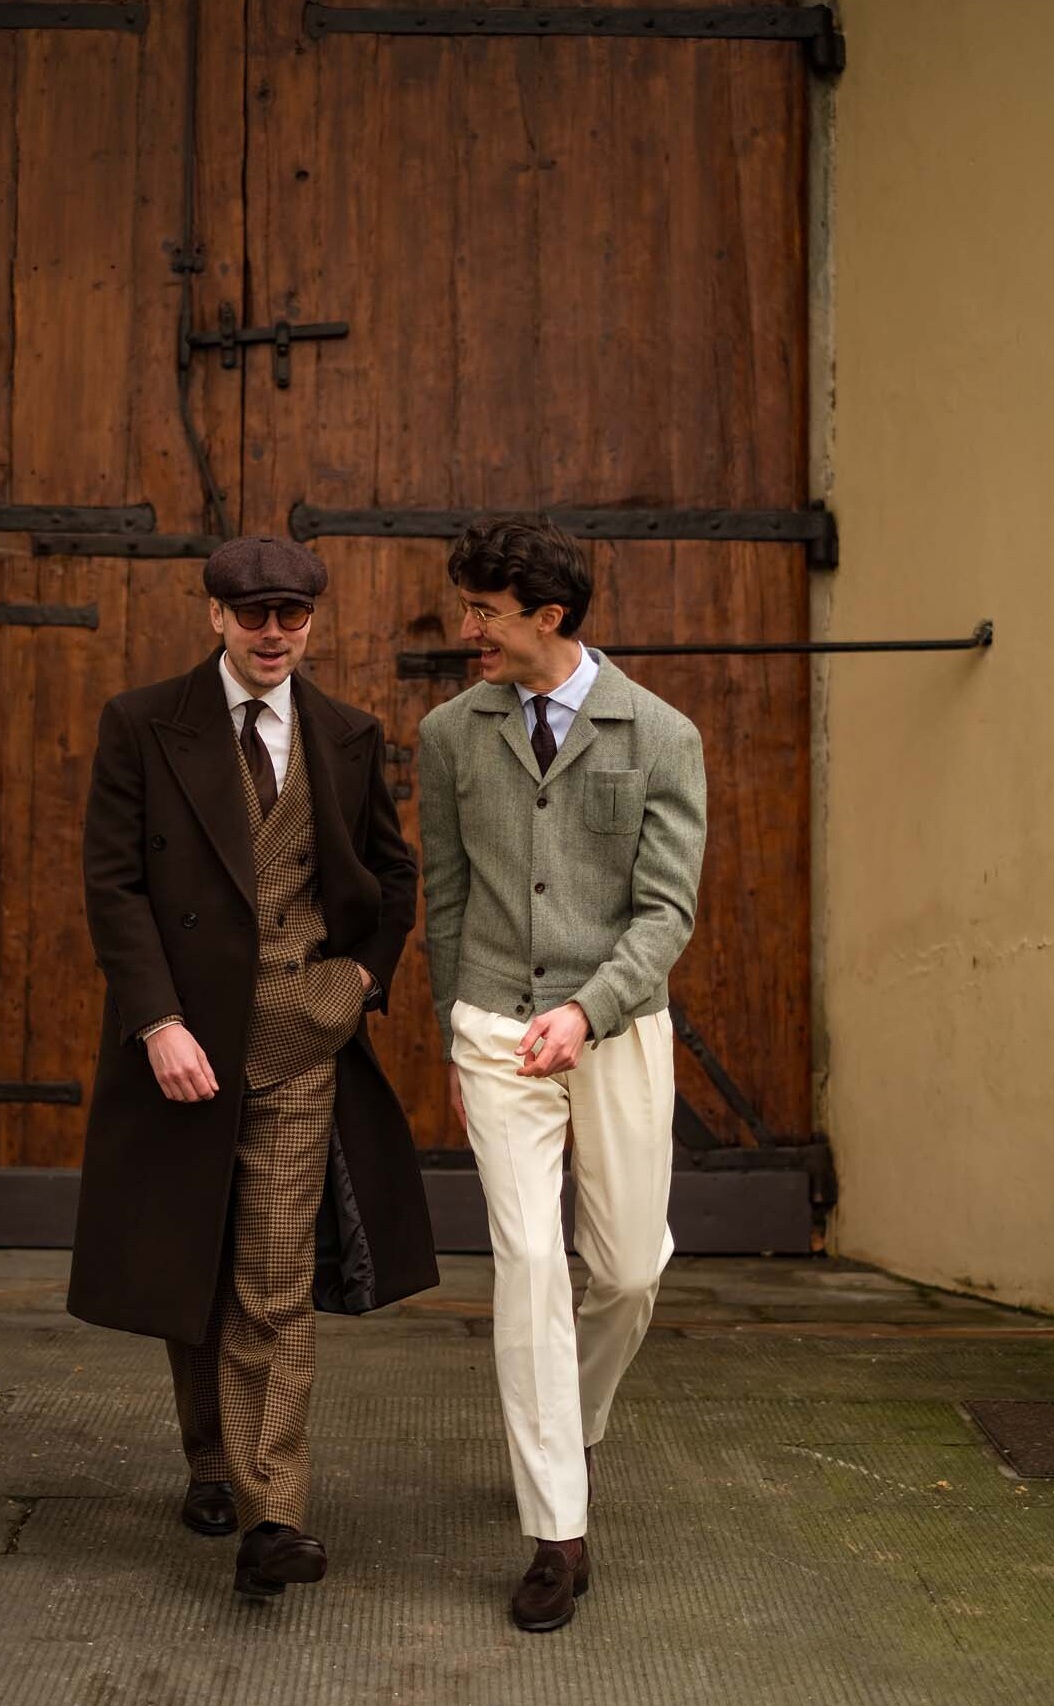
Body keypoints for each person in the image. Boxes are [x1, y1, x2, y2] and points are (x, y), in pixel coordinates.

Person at [68, 535, 438, 1600]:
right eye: (253, 614)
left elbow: (392, 875)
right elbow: (114, 883)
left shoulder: (347, 733)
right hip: (185, 1043)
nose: (274, 633)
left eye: (292, 615)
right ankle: (209, 1464)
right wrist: (155, 1021)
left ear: (312, 621)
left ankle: (275, 1513)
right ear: (215, 616)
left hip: (300, 1038)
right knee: (192, 1259)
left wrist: (359, 980)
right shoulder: (144, 722)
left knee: (272, 1281)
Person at [418, 516, 706, 1632]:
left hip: (618, 1026)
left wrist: (588, 1011)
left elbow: (665, 912)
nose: (467, 629)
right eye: (466, 607)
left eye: (485, 612)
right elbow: (447, 897)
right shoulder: (450, 734)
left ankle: (570, 1424)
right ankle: (556, 1529)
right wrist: (457, 1029)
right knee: (531, 1262)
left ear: (549, 616)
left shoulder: (661, 735)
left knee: (626, 1270)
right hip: (495, 1024)